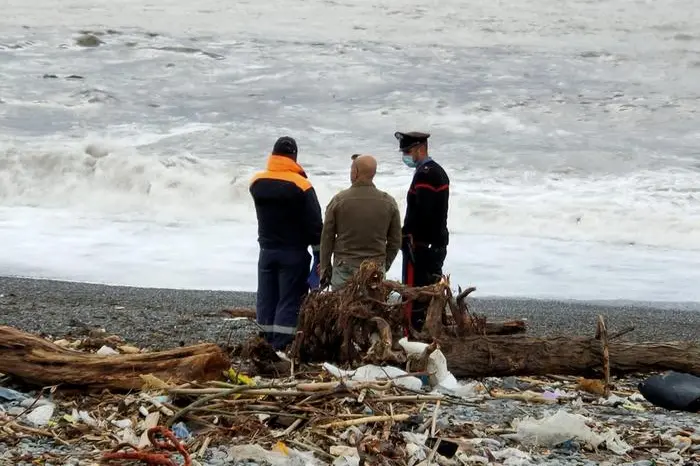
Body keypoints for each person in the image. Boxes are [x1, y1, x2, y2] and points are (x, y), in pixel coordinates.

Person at [249, 136, 322, 350]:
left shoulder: (257, 183)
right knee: (289, 300)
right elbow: (315, 225)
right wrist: (319, 256)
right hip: (293, 252)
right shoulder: (302, 185)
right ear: (294, 157)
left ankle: (263, 343)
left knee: (266, 298)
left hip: (266, 251)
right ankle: (280, 347)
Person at [320, 154, 402, 290]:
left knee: (342, 308)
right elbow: (395, 241)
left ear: (356, 172)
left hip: (343, 267)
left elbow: (327, 238)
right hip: (375, 268)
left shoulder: (339, 200)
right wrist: (384, 265)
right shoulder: (389, 202)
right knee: (372, 307)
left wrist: (325, 269)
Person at [395, 131, 450, 331]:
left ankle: (415, 335)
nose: (405, 156)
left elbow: (423, 212)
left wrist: (408, 235)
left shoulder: (426, 174)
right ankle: (427, 332)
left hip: (422, 246)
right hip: (434, 243)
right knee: (429, 292)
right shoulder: (434, 171)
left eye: (408, 151)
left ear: (420, 148)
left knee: (416, 296)